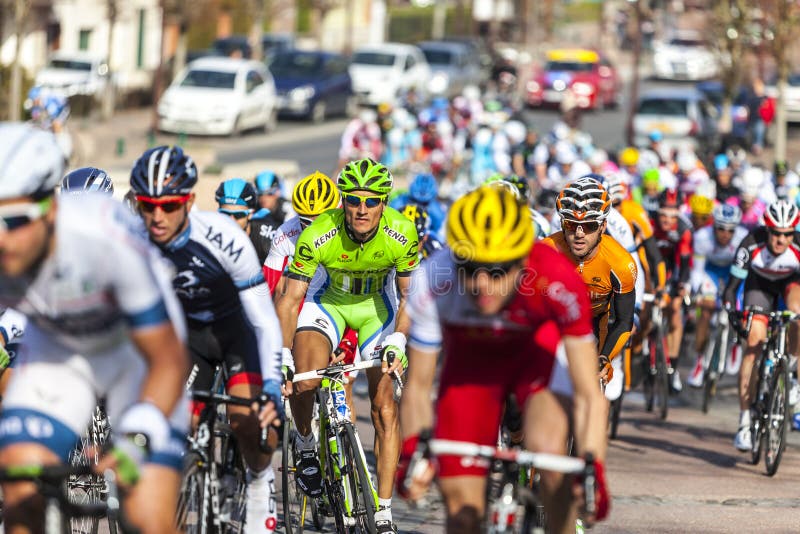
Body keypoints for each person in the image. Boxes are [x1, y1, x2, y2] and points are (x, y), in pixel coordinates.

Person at [0, 123, 189, 533]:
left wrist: (138, 440)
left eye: (14, 220)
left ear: (50, 210)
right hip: (57, 351)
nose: (2, 237)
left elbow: (168, 359)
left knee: (147, 516)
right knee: (18, 484)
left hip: (135, 357)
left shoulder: (107, 240)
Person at [398, 186, 609, 533]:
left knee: (552, 461)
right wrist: (412, 449)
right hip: (472, 368)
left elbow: (589, 395)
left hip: (534, 361)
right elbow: (418, 387)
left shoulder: (556, 279)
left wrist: (592, 467)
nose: (481, 284)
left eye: (496, 271)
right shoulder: (434, 280)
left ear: (522, 262)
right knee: (462, 514)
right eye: (470, 267)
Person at [130, 145, 284, 533]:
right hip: (186, 342)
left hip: (234, 334)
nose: (157, 217)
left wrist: (271, 386)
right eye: (147, 206)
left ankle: (258, 484)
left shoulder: (224, 237)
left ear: (190, 201)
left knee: (247, 420)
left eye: (169, 205)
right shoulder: (132, 244)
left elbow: (264, 320)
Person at [275, 158, 418, 534]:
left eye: (371, 201)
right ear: (343, 201)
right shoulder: (318, 234)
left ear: (384, 202)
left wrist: (399, 340)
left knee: (384, 407)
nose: (362, 209)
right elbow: (290, 300)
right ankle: (306, 443)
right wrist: (283, 356)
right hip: (328, 303)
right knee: (305, 381)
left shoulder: (402, 233)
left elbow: (410, 297)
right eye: (353, 200)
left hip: (377, 310)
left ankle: (384, 510)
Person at [542, 177, 637, 386]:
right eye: (571, 224)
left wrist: (605, 358)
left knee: (594, 389)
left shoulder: (620, 263)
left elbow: (624, 321)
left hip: (598, 320)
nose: (578, 233)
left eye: (589, 225)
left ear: (603, 226)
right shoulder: (545, 252)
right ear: (561, 223)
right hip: (555, 322)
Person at [723, 200, 800, 449]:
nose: (781, 240)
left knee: (798, 312)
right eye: (776, 233)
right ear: (767, 230)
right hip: (759, 288)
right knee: (754, 343)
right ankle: (745, 422)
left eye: (787, 234)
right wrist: (732, 312)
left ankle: (792, 376)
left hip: (789, 286)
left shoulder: (798, 246)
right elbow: (731, 287)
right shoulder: (751, 243)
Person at [687, 204, 748, 388]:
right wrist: (697, 291)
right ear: (714, 226)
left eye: (730, 230)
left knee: (739, 307)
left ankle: (736, 343)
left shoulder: (742, 237)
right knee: (705, 311)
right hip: (710, 273)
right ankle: (699, 361)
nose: (725, 234)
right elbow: (697, 270)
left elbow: (746, 272)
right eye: (721, 228)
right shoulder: (702, 237)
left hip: (733, 273)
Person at [653, 188, 694, 392]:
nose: (667, 220)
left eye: (672, 216)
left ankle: (673, 369)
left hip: (673, 268)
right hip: (651, 266)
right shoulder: (649, 222)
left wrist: (681, 287)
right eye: (663, 214)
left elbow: (684, 263)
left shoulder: (685, 229)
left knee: (676, 313)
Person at [215, 178, 272, 263]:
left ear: (250, 214)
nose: (231, 220)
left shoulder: (266, 238)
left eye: (238, 215)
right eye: (225, 213)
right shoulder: (210, 231)